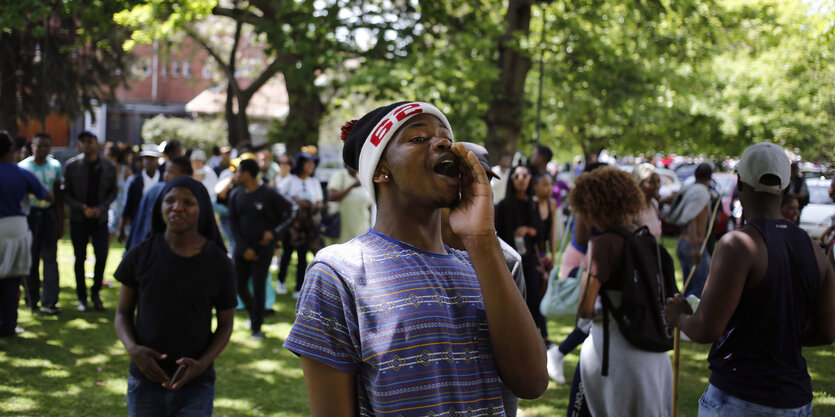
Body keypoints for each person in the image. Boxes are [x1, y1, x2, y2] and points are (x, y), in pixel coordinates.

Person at [283, 102, 548, 416]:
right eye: (418, 138)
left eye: (445, 137)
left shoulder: (482, 264)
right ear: (381, 169)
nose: (442, 143)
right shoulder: (339, 272)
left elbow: (532, 383)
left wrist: (483, 239)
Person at [665, 142, 835, 417]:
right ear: (786, 188)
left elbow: (706, 329)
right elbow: (827, 331)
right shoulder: (813, 249)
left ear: (740, 184)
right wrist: (777, 333)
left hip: (741, 396)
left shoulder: (738, 244)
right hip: (797, 399)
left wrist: (679, 317)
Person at [114, 177, 236, 416]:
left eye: (188, 202)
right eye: (169, 200)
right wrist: (133, 349)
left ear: (202, 209)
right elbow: (122, 313)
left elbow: (225, 324)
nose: (177, 207)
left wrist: (201, 364)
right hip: (145, 381)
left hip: (196, 386)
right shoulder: (140, 255)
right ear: (160, 206)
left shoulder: (219, 263)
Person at [570, 166, 673, 417]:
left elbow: (584, 309)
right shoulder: (650, 242)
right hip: (655, 354)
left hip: (615, 355)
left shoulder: (602, 245)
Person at [440, 142, 527, 417]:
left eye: (484, 179)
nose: (475, 186)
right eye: (464, 176)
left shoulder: (507, 259)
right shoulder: (417, 249)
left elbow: (519, 357)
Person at [228, 159, 297, 339]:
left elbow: (293, 209)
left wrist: (275, 232)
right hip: (242, 248)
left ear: (248, 174)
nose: (235, 176)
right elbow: (233, 224)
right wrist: (243, 248)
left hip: (263, 249)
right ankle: (253, 312)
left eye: (238, 172)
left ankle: (256, 328)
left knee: (259, 287)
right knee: (238, 285)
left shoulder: (268, 192)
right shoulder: (236, 194)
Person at [496, 165, 552, 349]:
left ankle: (542, 336)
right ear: (511, 180)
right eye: (517, 176)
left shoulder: (532, 204)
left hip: (529, 259)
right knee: (515, 299)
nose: (521, 179)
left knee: (535, 297)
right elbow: (498, 234)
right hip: (509, 261)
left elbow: (540, 232)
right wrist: (515, 234)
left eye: (525, 176)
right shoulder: (503, 206)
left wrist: (527, 230)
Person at [0, 131, 51, 336]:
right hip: (15, 227)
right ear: (11, 150)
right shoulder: (21, 173)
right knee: (13, 279)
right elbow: (47, 196)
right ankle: (9, 325)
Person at [63, 131, 117, 312]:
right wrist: (82, 207)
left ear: (97, 143)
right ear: (80, 145)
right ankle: (82, 298)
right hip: (79, 219)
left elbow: (113, 192)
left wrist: (99, 208)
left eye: (90, 142)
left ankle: (96, 293)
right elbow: (66, 193)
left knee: (101, 255)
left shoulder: (108, 166)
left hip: (100, 219)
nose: (87, 145)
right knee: (80, 258)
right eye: (84, 142)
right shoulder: (72, 166)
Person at [18, 133, 64, 314]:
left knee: (50, 258)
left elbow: (59, 197)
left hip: (48, 215)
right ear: (32, 147)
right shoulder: (23, 167)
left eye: (46, 146)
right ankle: (32, 300)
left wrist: (60, 221)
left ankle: (50, 301)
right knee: (31, 259)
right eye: (39, 145)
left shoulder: (55, 166)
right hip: (29, 215)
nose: (43, 149)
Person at [276, 151, 323, 299]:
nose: (311, 166)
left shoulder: (314, 182)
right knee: (287, 253)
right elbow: (279, 198)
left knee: (302, 256)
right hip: (292, 226)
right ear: (301, 164)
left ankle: (298, 287)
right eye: (308, 162)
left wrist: (312, 206)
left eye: (313, 163)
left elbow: (320, 201)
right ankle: (281, 280)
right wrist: (296, 201)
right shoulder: (290, 180)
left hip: (307, 226)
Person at [125, 157, 193, 250]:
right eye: (165, 171)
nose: (166, 175)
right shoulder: (155, 191)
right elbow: (143, 223)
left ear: (184, 175)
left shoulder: (194, 195)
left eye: (171, 172)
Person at [675, 162, 713, 298]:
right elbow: (691, 217)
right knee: (700, 287)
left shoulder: (690, 190)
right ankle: (690, 316)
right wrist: (695, 246)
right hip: (693, 243)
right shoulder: (700, 193)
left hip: (683, 242)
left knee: (688, 285)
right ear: (709, 177)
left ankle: (683, 316)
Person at [120, 144, 161, 243]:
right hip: (138, 221)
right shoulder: (134, 181)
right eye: (146, 158)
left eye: (152, 158)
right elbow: (127, 205)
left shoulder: (163, 179)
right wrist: (121, 227)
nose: (149, 162)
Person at [325, 166, 372, 244]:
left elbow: (369, 206)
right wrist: (352, 186)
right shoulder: (340, 175)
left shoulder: (364, 178)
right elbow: (331, 196)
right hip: (341, 229)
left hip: (361, 230)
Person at [106, 142, 133, 244]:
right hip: (110, 209)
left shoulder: (125, 171)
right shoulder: (106, 170)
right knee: (106, 240)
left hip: (124, 209)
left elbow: (132, 190)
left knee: (128, 240)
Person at [632, 163, 662, 239]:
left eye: (658, 181)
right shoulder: (633, 207)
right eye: (651, 182)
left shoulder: (654, 204)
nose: (656, 186)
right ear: (638, 183)